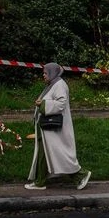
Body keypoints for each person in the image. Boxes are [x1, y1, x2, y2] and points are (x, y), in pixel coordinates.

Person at [26, 62, 91, 191]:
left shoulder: (59, 85)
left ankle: (81, 175)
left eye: (45, 73)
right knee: (44, 155)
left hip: (54, 129)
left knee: (59, 155)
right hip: (48, 128)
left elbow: (61, 103)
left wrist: (43, 104)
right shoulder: (53, 84)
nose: (43, 75)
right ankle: (40, 182)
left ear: (52, 72)